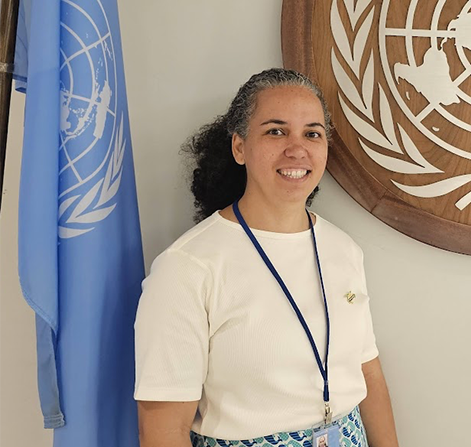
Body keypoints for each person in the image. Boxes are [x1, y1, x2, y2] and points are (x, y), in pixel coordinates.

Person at [134, 69, 399, 447]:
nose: (297, 148)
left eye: (312, 133)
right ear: (239, 147)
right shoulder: (187, 268)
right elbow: (163, 428)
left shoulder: (344, 250)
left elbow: (367, 371)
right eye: (276, 131)